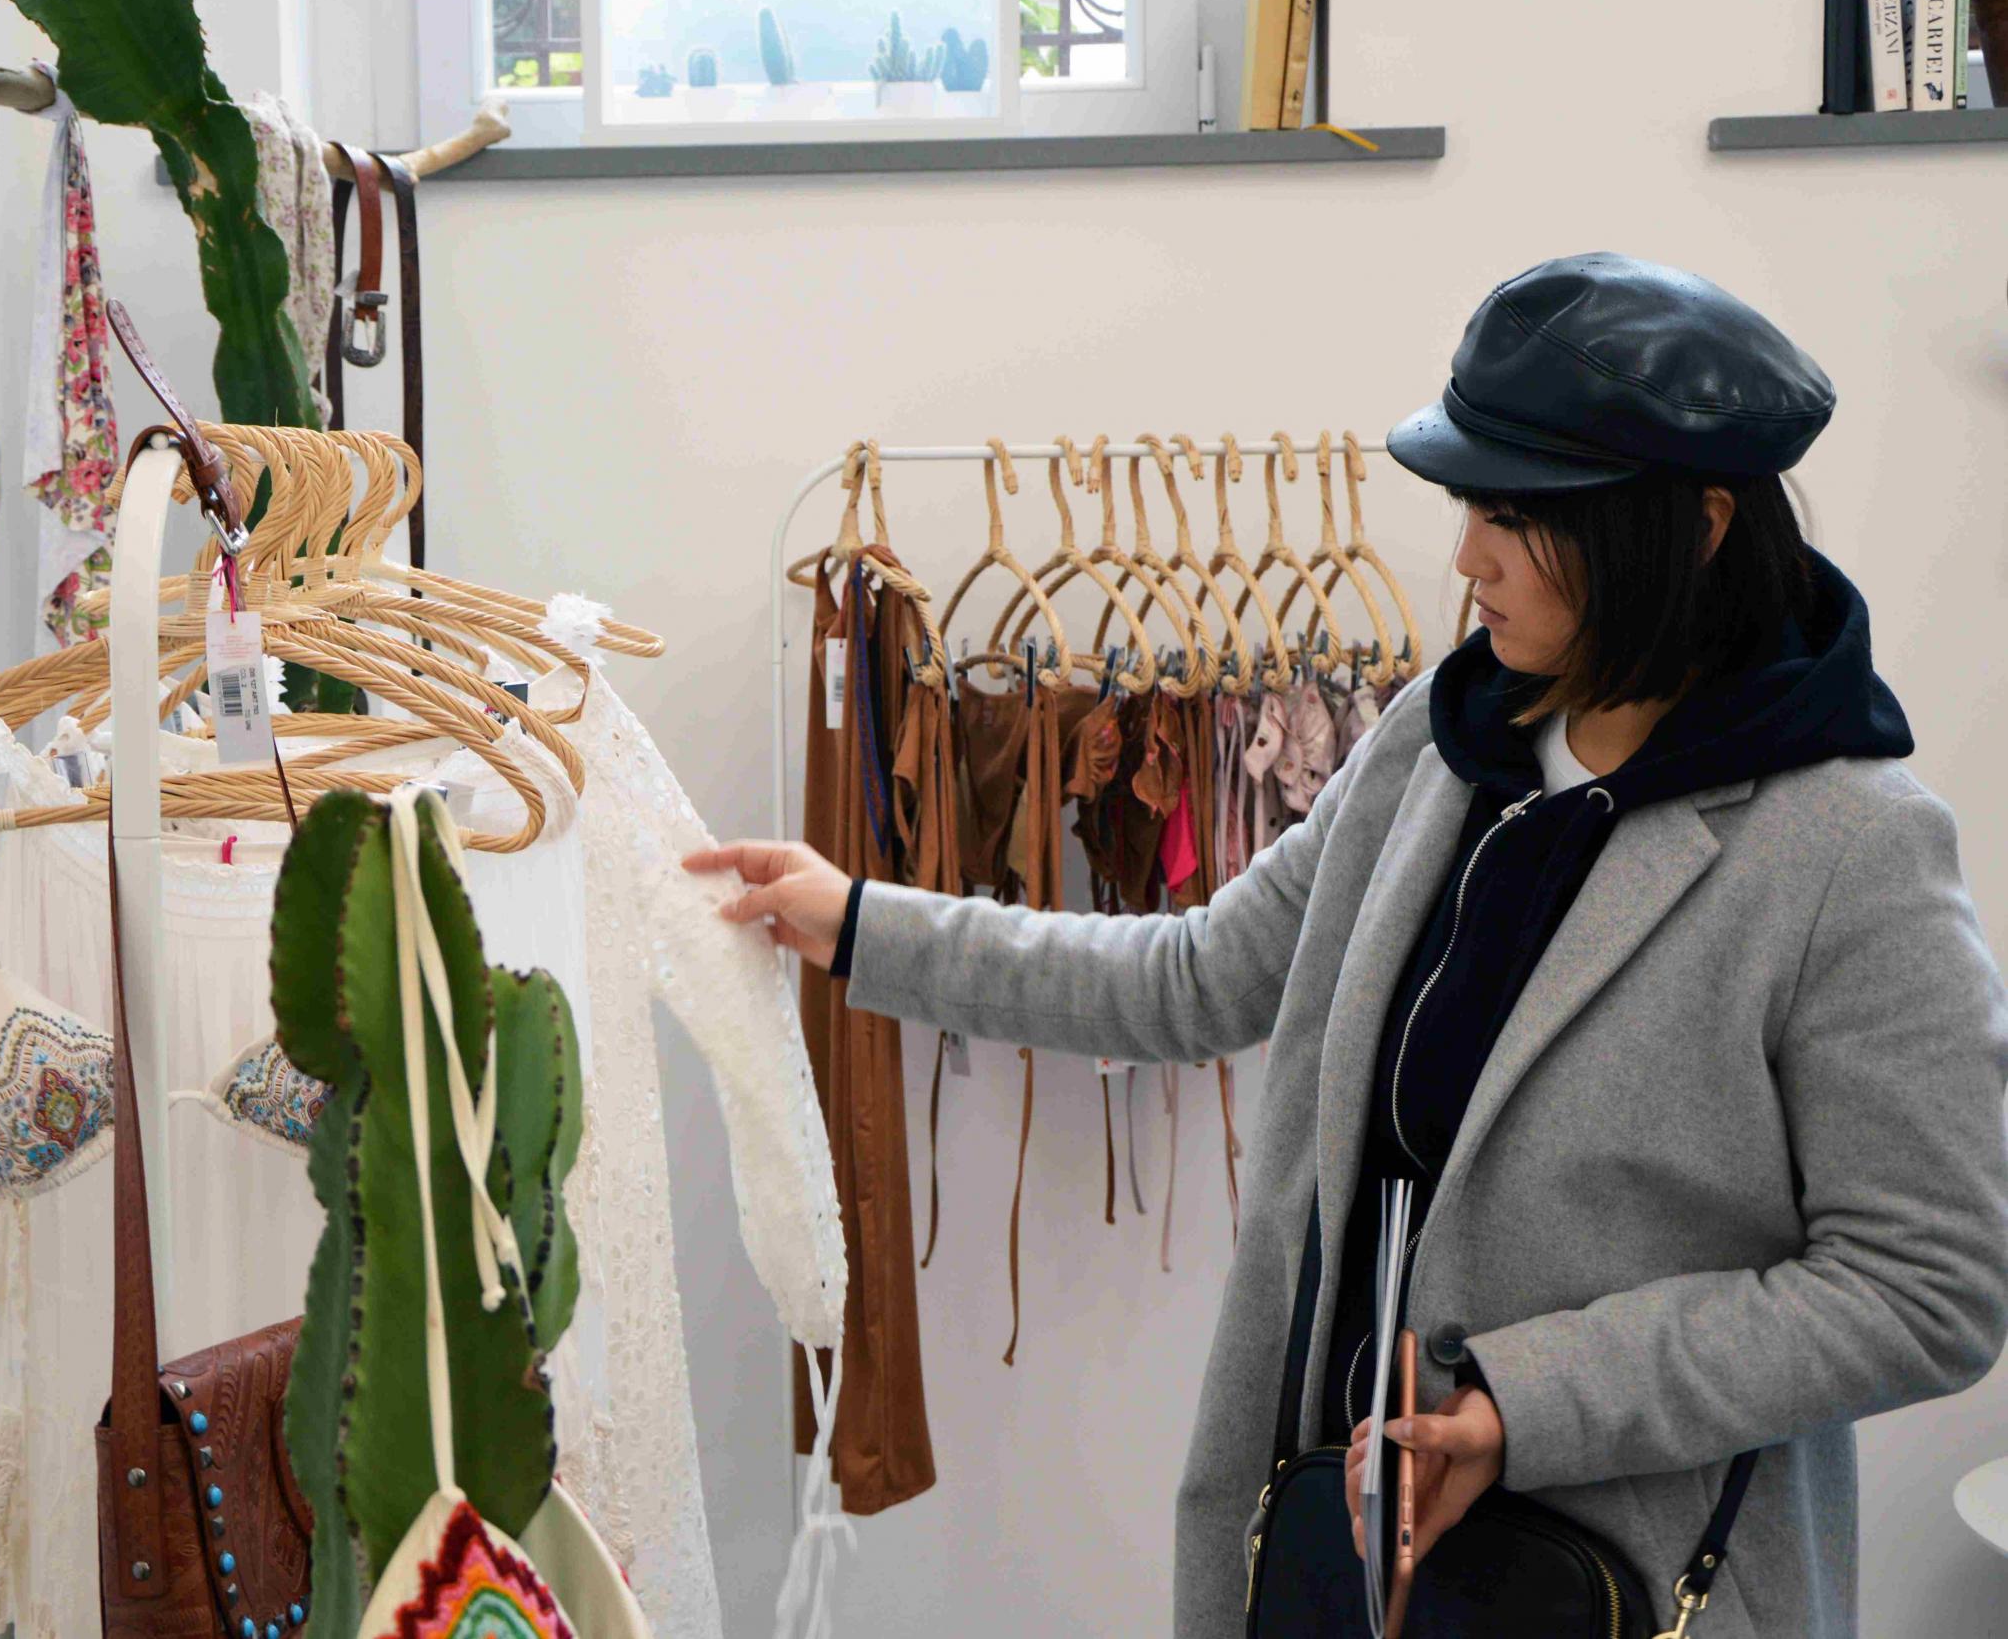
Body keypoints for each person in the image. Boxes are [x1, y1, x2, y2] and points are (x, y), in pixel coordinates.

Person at [686, 252, 2008, 1637]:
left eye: (1516, 517)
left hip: (1624, 1587)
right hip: (1342, 1548)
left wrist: (1524, 1402)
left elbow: (1925, 1287)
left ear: (1696, 528)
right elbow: (1199, 975)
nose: (1468, 557)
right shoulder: (1445, 744)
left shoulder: (1848, 848)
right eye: (1468, 506)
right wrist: (863, 923)